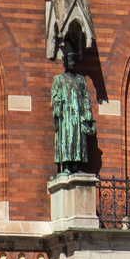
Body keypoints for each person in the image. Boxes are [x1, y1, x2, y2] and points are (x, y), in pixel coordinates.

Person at [50, 39, 96, 175]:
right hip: (65, 115)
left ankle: (76, 164)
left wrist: (88, 114)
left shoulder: (81, 79)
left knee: (78, 139)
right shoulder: (58, 79)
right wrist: (57, 107)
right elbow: (54, 96)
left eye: (73, 61)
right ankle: (66, 166)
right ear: (65, 63)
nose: (71, 63)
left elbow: (85, 97)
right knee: (66, 138)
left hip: (78, 114)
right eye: (69, 61)